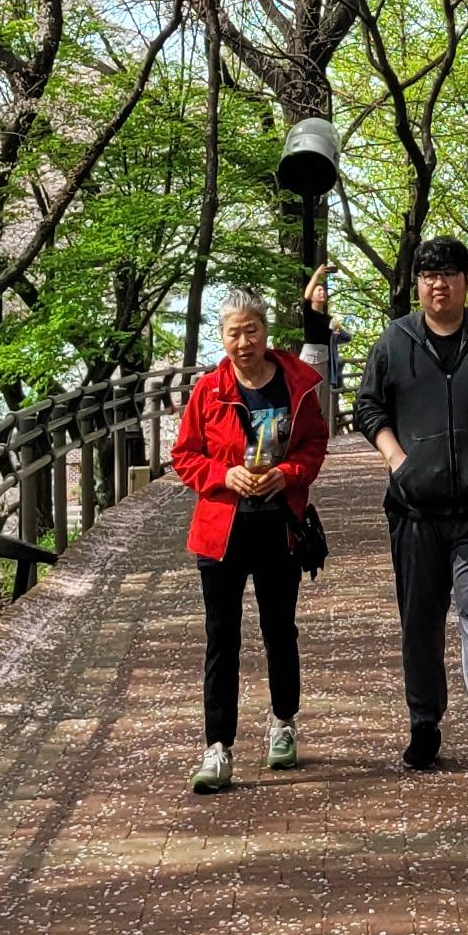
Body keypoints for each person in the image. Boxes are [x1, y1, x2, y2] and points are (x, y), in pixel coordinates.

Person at [354, 236, 468, 781]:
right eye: (430, 276)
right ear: (419, 284)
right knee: (421, 622)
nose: (440, 284)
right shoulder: (395, 340)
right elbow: (368, 407)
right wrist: (398, 461)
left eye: (449, 274)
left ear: (465, 282)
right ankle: (424, 723)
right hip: (414, 512)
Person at [168, 290, 328, 794]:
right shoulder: (209, 391)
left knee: (279, 630)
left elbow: (314, 443)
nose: (244, 342)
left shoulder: (295, 383)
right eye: (234, 333)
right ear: (222, 338)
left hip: (278, 525)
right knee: (222, 639)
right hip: (222, 531)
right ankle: (218, 747)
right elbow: (184, 455)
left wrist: (288, 473)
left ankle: (283, 722)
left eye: (251, 330)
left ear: (265, 331)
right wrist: (224, 475)